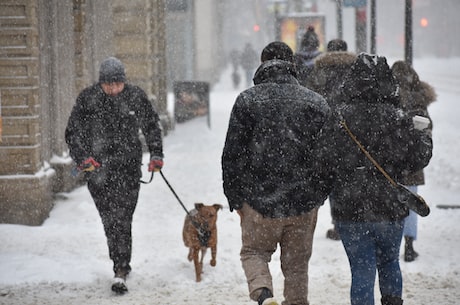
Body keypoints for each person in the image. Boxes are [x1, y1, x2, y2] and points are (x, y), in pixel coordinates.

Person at [222, 41, 334, 305]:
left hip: (259, 202)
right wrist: (318, 194)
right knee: (296, 266)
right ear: (293, 65)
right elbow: (329, 155)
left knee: (254, 253)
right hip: (303, 202)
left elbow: (232, 155)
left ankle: (263, 293)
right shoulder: (315, 102)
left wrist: (236, 198)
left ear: (262, 64)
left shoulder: (247, 100)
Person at [327, 53, 433, 305]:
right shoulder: (398, 118)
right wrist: (424, 134)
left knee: (362, 270)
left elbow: (324, 161)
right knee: (388, 262)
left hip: (349, 208)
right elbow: (418, 159)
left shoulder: (339, 118)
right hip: (389, 207)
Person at [65, 57, 164, 294]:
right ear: (100, 83)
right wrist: (82, 158)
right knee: (110, 220)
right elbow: (73, 132)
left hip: (128, 170)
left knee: (123, 218)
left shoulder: (135, 96)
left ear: (124, 82)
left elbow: (152, 126)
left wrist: (156, 155)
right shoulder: (88, 99)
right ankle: (119, 264)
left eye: (117, 84)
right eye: (107, 85)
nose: (112, 89)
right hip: (98, 172)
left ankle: (121, 267)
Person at [309, 39, 357, 241]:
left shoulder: (319, 71)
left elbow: (312, 100)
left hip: (328, 134)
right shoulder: (356, 71)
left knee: (333, 180)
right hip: (353, 133)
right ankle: (355, 221)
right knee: (353, 179)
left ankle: (339, 224)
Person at [391, 60, 436, 262]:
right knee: (412, 204)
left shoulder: (387, 96)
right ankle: (409, 245)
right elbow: (427, 127)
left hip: (391, 163)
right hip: (413, 165)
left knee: (391, 204)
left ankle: (393, 243)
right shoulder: (419, 99)